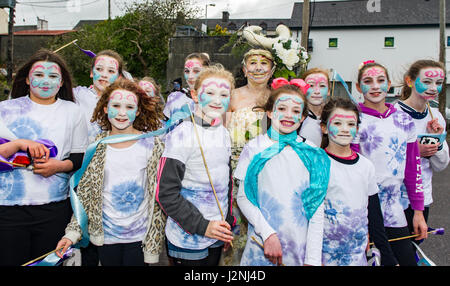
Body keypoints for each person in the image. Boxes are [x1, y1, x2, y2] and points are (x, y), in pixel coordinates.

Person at [55, 79, 166, 266]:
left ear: (138, 111)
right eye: (115, 105)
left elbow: (162, 193)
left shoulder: (152, 145)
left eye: (129, 106)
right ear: (105, 108)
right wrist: (72, 234)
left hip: (139, 237)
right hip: (107, 237)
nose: (122, 113)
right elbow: (84, 195)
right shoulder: (95, 147)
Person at [0, 49, 88, 266]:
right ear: (27, 79)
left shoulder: (73, 111)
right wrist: (20, 144)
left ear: (61, 82)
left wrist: (58, 166)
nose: (45, 81)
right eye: (39, 75)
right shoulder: (5, 109)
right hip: (7, 209)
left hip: (54, 208)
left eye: (53, 76)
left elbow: (80, 157)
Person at [235, 79, 330, 266]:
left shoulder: (313, 153)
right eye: (282, 109)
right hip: (261, 244)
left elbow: (316, 209)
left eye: (296, 111)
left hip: (299, 249)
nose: (288, 115)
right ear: (270, 112)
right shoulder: (253, 148)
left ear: (303, 118)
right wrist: (268, 234)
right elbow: (243, 198)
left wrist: (312, 259)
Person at [156, 64, 236, 266]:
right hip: (187, 238)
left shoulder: (224, 133)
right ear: (194, 94)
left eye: (224, 94)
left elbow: (225, 185)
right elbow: (165, 193)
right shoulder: (182, 134)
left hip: (217, 233)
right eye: (209, 92)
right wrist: (203, 226)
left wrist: (225, 226)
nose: (217, 100)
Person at [351, 60, 428, 266]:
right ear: (358, 87)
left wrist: (418, 212)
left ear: (390, 84)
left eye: (380, 80)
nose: (375, 86)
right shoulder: (353, 120)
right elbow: (351, 172)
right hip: (364, 211)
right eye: (368, 81)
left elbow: (413, 168)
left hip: (396, 210)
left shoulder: (404, 120)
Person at [319, 97, 398, 266]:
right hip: (323, 257)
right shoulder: (317, 164)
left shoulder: (366, 166)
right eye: (338, 123)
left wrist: (389, 257)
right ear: (324, 128)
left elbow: (374, 216)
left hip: (357, 257)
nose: (345, 129)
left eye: (351, 124)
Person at [222, 48, 275, 266]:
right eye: (253, 63)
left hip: (266, 173)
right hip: (233, 172)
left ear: (272, 70)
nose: (258, 67)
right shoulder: (232, 96)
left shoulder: (277, 98)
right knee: (235, 231)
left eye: (264, 63)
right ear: (244, 69)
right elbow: (220, 133)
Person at [395, 60, 449, 235]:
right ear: (410, 81)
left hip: (423, 198)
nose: (433, 87)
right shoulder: (393, 115)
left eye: (438, 83)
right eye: (426, 82)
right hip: (394, 198)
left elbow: (441, 165)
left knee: (414, 248)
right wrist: (413, 151)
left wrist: (438, 142)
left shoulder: (437, 117)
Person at [73, 50, 124, 144]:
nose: (104, 75)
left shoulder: (125, 102)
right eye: (99, 69)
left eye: (111, 71)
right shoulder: (77, 94)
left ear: (119, 77)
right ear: (92, 73)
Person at [163, 52, 210, 118]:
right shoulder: (174, 98)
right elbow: (166, 124)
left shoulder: (216, 98)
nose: (190, 76)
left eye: (196, 71)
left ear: (207, 72)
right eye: (187, 71)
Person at [299, 68, 331, 147]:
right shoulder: (296, 117)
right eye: (311, 85)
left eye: (322, 86)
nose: (317, 91)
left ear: (329, 91)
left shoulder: (333, 117)